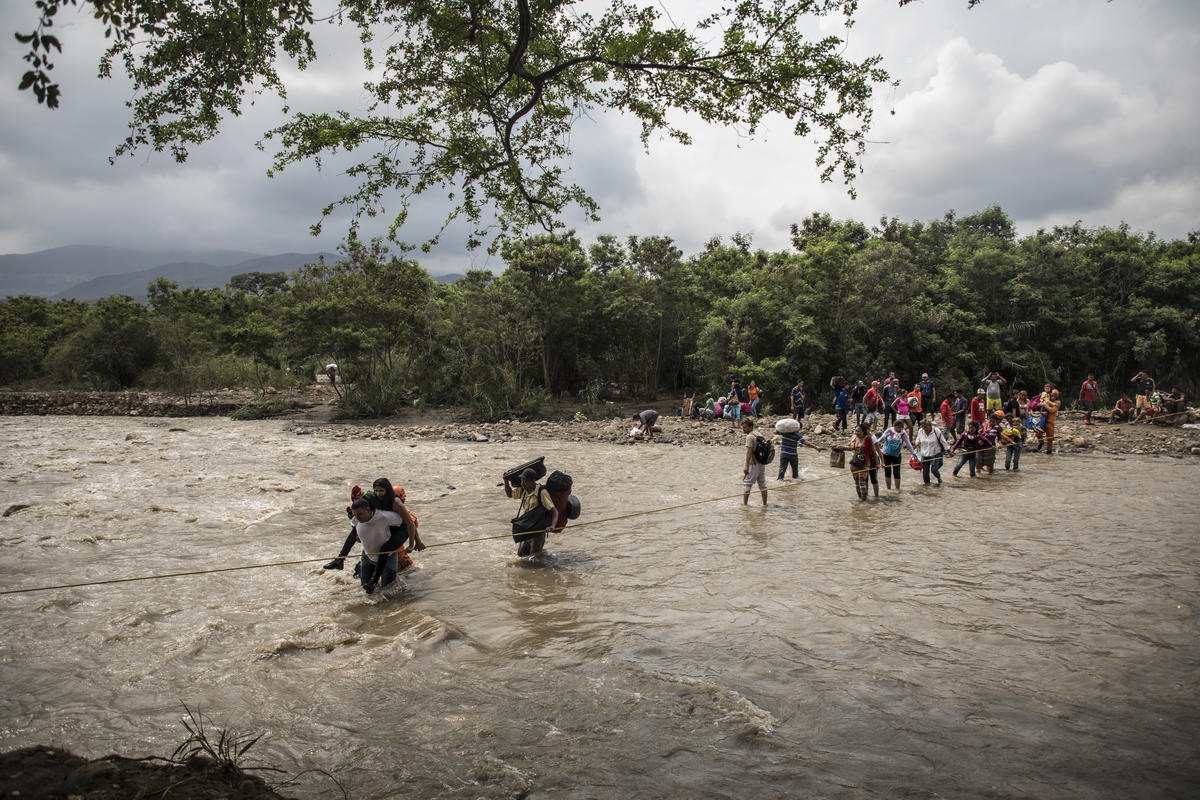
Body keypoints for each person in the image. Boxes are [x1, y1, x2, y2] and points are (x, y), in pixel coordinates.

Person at [324, 478, 422, 572]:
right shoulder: (375, 501)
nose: (379, 494)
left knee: (393, 566)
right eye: (377, 491)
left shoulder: (399, 506)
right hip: (379, 540)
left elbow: (411, 524)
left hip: (394, 548)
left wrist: (415, 543)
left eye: (382, 491)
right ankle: (340, 560)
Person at [347, 498, 409, 594]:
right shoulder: (356, 519)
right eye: (355, 515)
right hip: (368, 555)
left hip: (389, 557)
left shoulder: (386, 516)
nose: (357, 517)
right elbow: (355, 534)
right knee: (365, 588)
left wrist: (414, 542)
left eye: (359, 514)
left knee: (389, 591)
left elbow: (408, 524)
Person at [504, 467, 561, 556]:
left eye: (525, 481)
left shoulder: (542, 492)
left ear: (532, 481)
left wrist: (552, 526)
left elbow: (554, 511)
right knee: (521, 554)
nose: (523, 484)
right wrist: (506, 482)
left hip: (538, 530)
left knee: (534, 556)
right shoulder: (523, 490)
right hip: (526, 528)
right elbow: (510, 494)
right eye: (522, 481)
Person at [838, 423, 881, 500]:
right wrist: (842, 447)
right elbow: (851, 448)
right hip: (854, 462)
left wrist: (877, 464)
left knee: (862, 482)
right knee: (857, 483)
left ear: (863, 431)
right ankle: (860, 499)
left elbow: (874, 452)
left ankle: (864, 500)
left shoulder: (868, 438)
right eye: (855, 431)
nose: (856, 433)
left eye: (858, 431)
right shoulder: (854, 438)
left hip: (865, 463)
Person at [875, 418, 917, 492]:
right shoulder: (889, 431)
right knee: (887, 472)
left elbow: (908, 444)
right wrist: (874, 445)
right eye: (897, 427)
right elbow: (881, 439)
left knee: (896, 472)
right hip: (886, 454)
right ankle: (889, 490)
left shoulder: (903, 433)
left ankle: (897, 490)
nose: (899, 429)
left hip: (897, 455)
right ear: (894, 426)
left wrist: (914, 454)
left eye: (901, 427)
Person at [914, 418, 950, 486]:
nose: (925, 429)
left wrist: (948, 450)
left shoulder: (936, 431)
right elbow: (918, 438)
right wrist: (917, 442)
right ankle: (927, 487)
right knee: (925, 473)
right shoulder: (920, 431)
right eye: (923, 427)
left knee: (934, 470)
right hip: (925, 454)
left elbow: (943, 441)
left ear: (930, 425)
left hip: (936, 454)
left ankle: (939, 478)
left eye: (926, 427)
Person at [741, 418, 768, 506]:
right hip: (761, 463)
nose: (743, 430)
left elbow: (749, 452)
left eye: (745, 428)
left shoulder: (750, 437)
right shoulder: (758, 434)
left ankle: (745, 505)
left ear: (750, 427)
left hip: (754, 464)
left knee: (747, 484)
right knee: (762, 484)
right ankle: (765, 504)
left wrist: (746, 466)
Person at [1043, 389, 1062, 454]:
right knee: (1038, 434)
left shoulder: (1058, 402)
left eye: (1055, 396)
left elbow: (1052, 410)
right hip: (1043, 421)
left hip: (1051, 422)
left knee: (1050, 437)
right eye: (1052, 395)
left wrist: (1045, 405)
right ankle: (1040, 444)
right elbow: (1039, 405)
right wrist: (1042, 412)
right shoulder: (1047, 400)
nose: (1053, 397)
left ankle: (1049, 450)